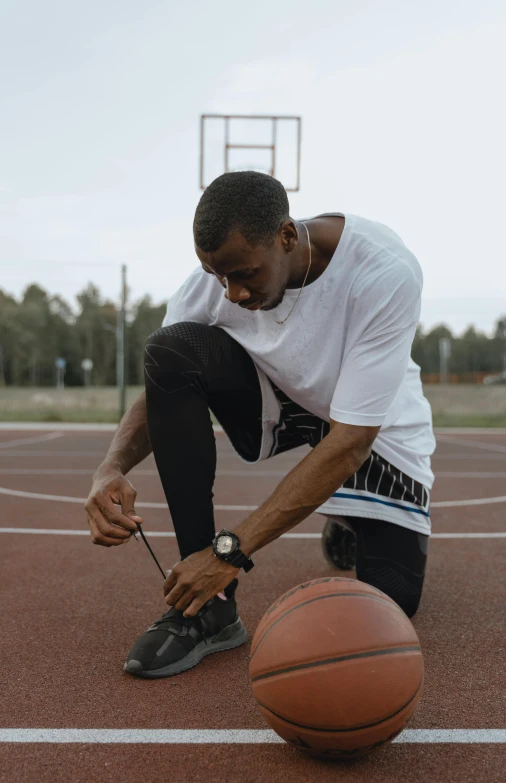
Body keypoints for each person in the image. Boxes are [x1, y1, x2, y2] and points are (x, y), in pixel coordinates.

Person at [85, 172, 435, 679]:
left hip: (368, 427)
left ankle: (351, 519)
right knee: (170, 346)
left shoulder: (383, 272)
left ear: (287, 238)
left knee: (389, 605)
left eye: (244, 274)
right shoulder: (218, 279)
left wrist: (228, 551)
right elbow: (163, 381)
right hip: (279, 400)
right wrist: (109, 467)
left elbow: (352, 442)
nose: (231, 293)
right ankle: (208, 612)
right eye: (218, 276)